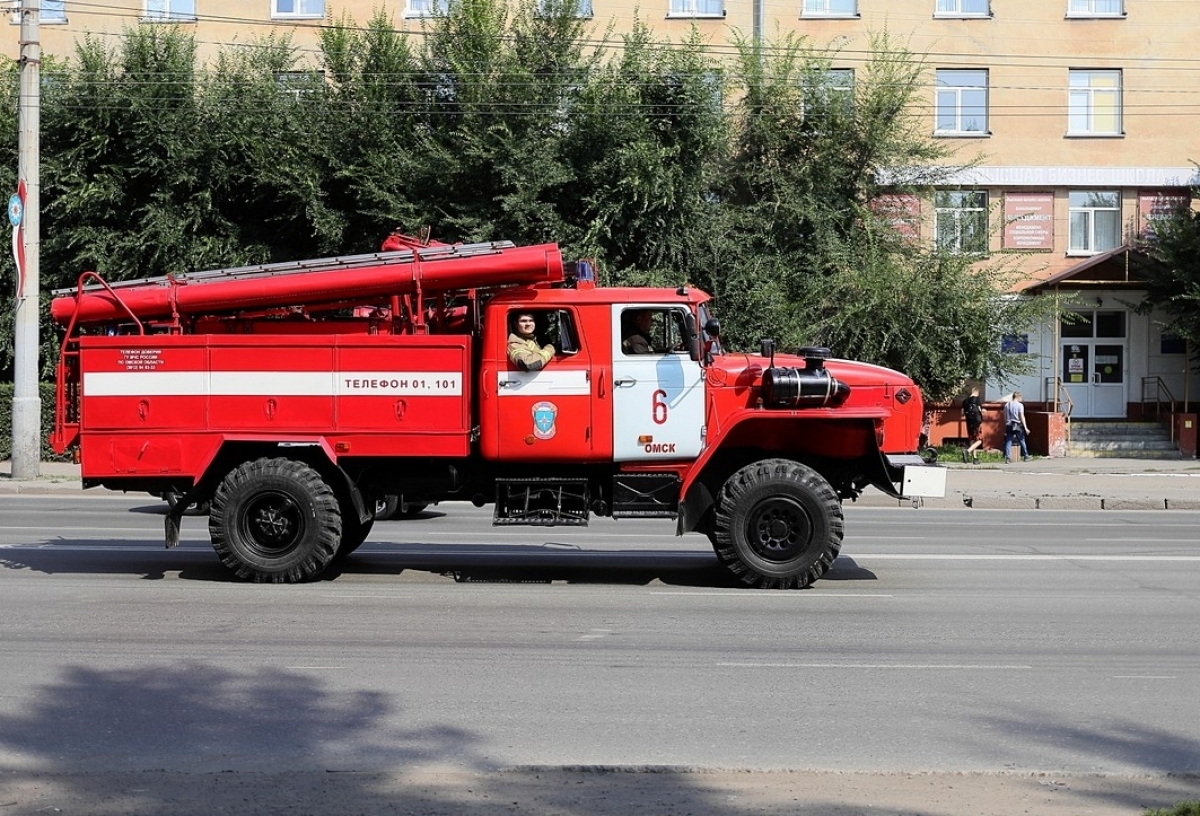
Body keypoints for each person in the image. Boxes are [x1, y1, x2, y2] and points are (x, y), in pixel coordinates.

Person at [1003, 391, 1030, 463]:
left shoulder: (1007, 405)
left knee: (1008, 441)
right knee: (1021, 440)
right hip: (1017, 424)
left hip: (1009, 424)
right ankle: (1026, 455)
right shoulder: (1020, 405)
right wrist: (1025, 427)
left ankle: (1007, 457)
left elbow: (1005, 416)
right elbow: (1022, 416)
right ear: (1018, 397)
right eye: (1021, 397)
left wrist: (1006, 423)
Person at [962, 387, 984, 464]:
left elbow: (962, 413)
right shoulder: (977, 399)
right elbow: (980, 410)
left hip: (968, 422)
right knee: (979, 440)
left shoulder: (965, 401)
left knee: (972, 440)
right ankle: (967, 451)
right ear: (977, 392)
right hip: (977, 422)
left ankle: (975, 459)